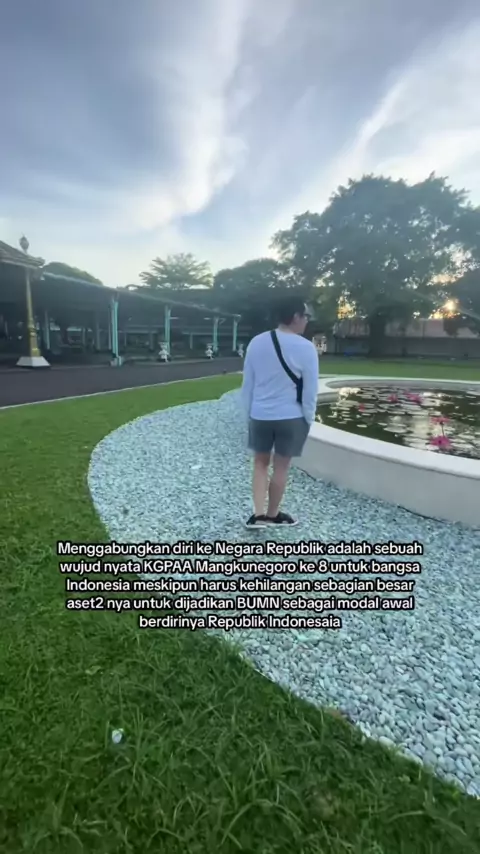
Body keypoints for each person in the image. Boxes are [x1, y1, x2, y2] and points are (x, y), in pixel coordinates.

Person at [241, 296, 319, 528]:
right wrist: (308, 418)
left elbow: (248, 385)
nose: (307, 320)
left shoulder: (257, 342)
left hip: (260, 415)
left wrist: (249, 414)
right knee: (281, 466)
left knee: (260, 464)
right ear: (295, 316)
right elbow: (310, 390)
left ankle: (258, 515)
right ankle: (273, 515)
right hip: (291, 416)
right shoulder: (306, 348)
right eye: (305, 316)